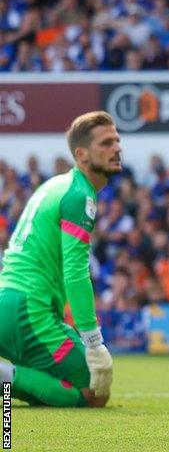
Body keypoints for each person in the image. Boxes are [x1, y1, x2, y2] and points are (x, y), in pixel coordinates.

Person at [0, 111, 120, 408]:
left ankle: (11, 376)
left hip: (9, 301)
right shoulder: (79, 195)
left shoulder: (55, 185)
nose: (117, 148)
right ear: (81, 154)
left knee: (64, 383)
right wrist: (93, 342)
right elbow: (76, 273)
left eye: (117, 140)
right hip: (30, 311)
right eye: (106, 143)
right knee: (94, 392)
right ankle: (5, 377)